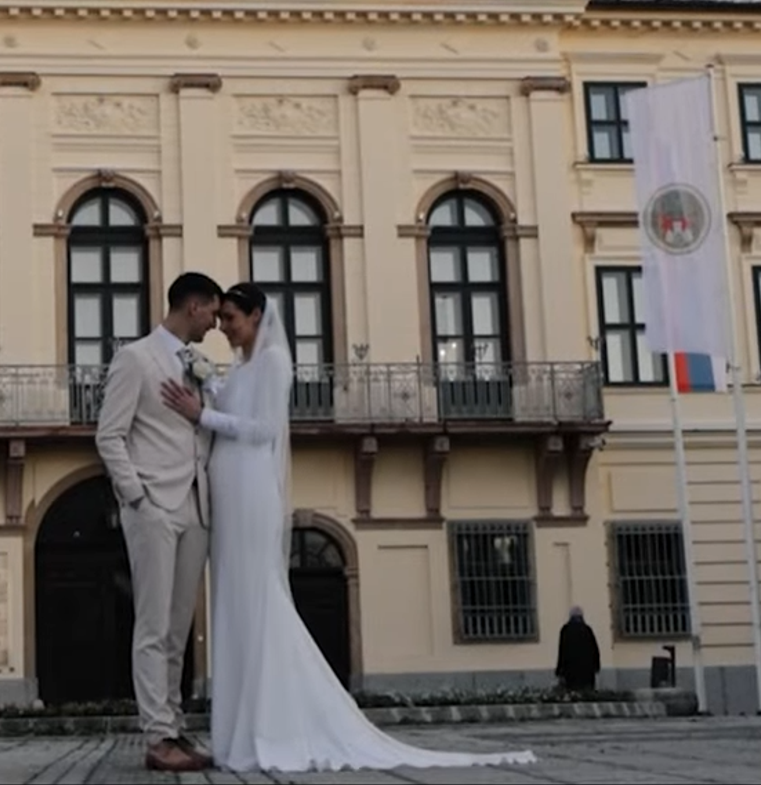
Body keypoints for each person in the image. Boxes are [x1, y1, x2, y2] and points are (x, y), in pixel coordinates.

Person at [160, 282, 536, 773]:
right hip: (226, 487)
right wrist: (206, 385)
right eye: (222, 317)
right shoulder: (243, 366)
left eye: (231, 317)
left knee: (257, 598)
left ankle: (271, 726)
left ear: (255, 317)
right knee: (232, 600)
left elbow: (262, 430)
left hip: (250, 486)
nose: (224, 326)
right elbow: (233, 410)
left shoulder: (273, 363)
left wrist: (201, 413)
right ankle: (240, 730)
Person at [94, 271, 223, 773]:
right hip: (153, 505)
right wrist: (137, 496)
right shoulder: (135, 358)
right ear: (193, 306)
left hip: (195, 503)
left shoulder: (200, 364)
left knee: (178, 627)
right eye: (213, 312)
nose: (215, 324)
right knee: (152, 625)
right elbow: (110, 435)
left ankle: (174, 726)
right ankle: (157, 735)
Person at [554, 607, 601, 693]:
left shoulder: (565, 630)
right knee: (587, 692)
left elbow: (562, 652)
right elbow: (595, 650)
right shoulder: (587, 630)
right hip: (587, 669)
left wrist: (559, 670)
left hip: (570, 669)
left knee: (572, 693)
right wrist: (596, 666)